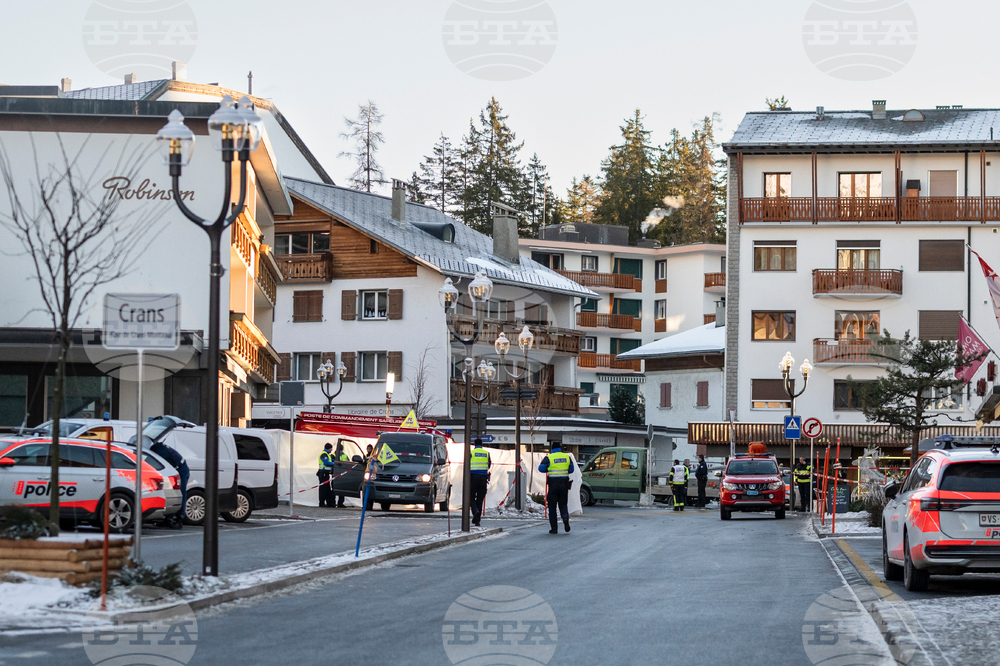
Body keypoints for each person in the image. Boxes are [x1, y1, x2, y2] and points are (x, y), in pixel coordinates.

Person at [149, 439, 189, 526]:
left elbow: (161, 466)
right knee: (173, 493)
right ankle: (169, 519)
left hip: (181, 470)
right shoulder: (159, 448)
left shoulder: (160, 452)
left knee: (179, 494)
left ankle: (179, 518)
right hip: (180, 468)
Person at [539, 445, 574, 534]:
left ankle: (554, 529)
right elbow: (571, 470)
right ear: (560, 449)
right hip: (564, 485)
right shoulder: (567, 457)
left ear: (552, 449)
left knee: (552, 506)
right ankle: (565, 519)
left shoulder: (549, 457)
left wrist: (549, 468)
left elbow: (541, 468)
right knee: (563, 504)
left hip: (553, 485)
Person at [469, 438, 491, 526]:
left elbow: (467, 464)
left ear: (475, 445)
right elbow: (488, 465)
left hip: (473, 478)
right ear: (481, 445)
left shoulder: (471, 453)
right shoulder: (486, 453)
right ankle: (477, 520)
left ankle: (475, 511)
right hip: (483, 478)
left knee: (470, 497)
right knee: (480, 499)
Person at [317, 443, 336, 508]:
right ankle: (321, 503)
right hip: (323, 473)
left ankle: (329, 503)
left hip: (326, 474)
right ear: (329, 448)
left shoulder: (327, 454)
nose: (331, 450)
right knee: (323, 489)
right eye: (331, 448)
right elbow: (326, 463)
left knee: (327, 488)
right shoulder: (324, 454)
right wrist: (334, 463)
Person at [333, 442, 350, 508]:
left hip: (337, 474)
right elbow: (348, 463)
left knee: (336, 489)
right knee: (340, 489)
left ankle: (333, 503)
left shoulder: (333, 455)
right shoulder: (344, 455)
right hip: (341, 474)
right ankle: (339, 503)